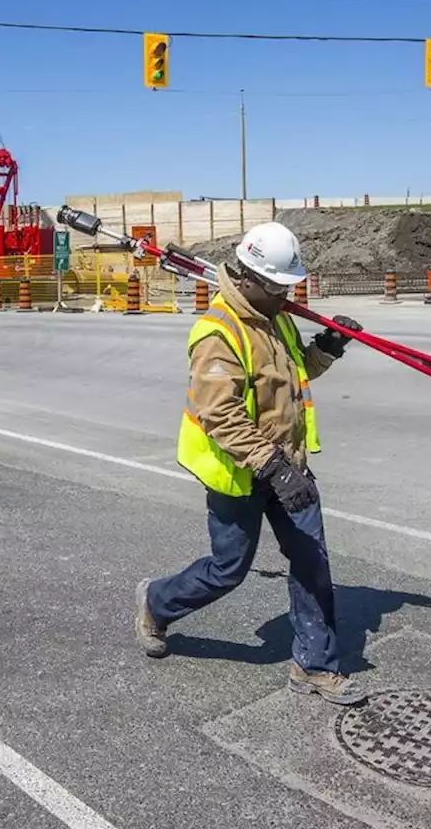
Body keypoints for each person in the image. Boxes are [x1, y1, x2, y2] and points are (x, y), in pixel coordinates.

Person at [134, 221, 367, 705]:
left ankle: (316, 665)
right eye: (279, 286)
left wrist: (326, 349)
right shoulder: (217, 333)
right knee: (228, 569)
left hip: (290, 465)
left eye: (290, 286)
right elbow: (220, 415)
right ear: (248, 278)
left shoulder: (274, 316)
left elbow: (291, 374)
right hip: (241, 474)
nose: (287, 295)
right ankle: (157, 602)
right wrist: (272, 467)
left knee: (312, 563)